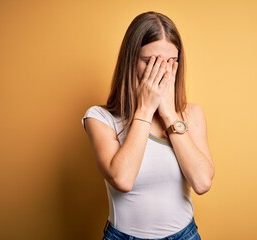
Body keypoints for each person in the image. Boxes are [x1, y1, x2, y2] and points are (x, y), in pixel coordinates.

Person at [82, 11, 214, 240]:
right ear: (130, 62)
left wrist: (169, 113)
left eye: (171, 62)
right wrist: (144, 109)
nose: (162, 71)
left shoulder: (191, 114)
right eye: (150, 62)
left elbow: (202, 182)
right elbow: (122, 179)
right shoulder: (100, 118)